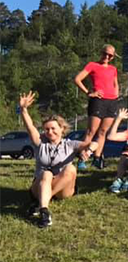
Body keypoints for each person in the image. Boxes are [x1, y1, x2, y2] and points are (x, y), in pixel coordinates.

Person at [19, 91, 97, 228]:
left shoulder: (70, 144)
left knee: (71, 168)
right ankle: (44, 211)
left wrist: (89, 151)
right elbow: (30, 127)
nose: (50, 132)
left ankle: (41, 203)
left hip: (63, 188)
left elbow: (94, 143)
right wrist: (23, 109)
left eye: (53, 128)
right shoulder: (40, 143)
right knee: (46, 174)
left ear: (62, 128)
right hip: (40, 185)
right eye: (46, 129)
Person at [74, 43, 120, 170]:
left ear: (113, 57)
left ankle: (97, 159)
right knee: (91, 131)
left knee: (103, 132)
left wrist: (116, 94)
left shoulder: (113, 69)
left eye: (110, 55)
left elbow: (115, 83)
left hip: (111, 102)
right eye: (105, 54)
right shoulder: (92, 65)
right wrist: (89, 92)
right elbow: (77, 79)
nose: (107, 57)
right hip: (98, 101)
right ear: (101, 53)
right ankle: (82, 158)